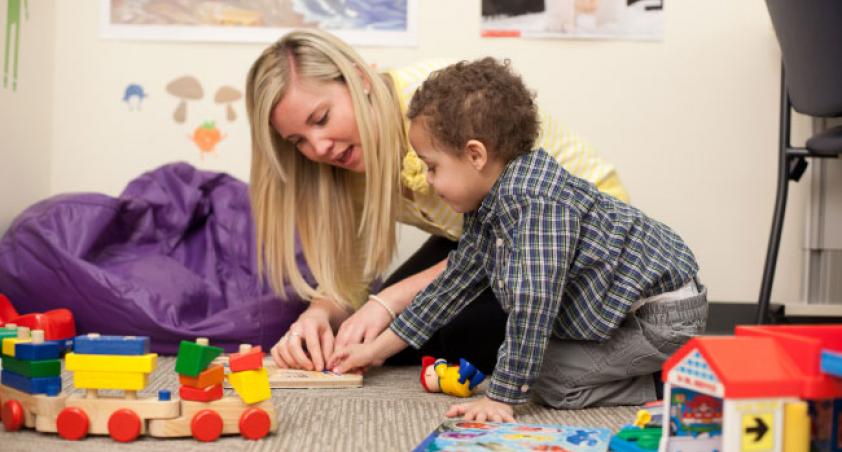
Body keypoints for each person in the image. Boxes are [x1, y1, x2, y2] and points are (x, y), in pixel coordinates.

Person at [330, 58, 707, 421]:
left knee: (547, 378)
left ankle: (668, 380)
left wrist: (502, 397)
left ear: (475, 155)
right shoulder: (490, 205)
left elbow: (534, 301)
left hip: (662, 318)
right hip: (632, 311)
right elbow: (452, 285)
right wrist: (376, 350)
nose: (428, 180)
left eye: (433, 167)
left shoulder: (533, 204)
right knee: (523, 355)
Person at [245, 29, 630, 375]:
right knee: (385, 336)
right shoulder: (343, 162)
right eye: (298, 141)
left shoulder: (441, 106)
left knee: (457, 333)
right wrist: (319, 314)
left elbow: (520, 230)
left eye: (321, 118)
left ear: (359, 79)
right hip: (482, 237)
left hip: (561, 231)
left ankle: (601, 343)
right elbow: (350, 276)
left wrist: (392, 299)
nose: (318, 148)